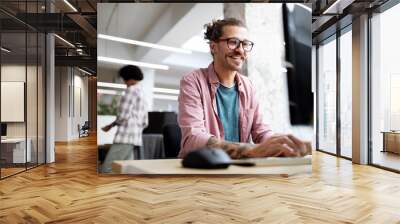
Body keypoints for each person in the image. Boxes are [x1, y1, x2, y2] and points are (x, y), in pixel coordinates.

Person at [178, 18, 308, 159]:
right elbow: (193, 139)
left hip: (240, 169)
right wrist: (251, 151)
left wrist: (280, 144)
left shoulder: (248, 86)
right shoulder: (193, 81)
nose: (240, 50)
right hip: (202, 169)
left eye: (245, 44)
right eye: (233, 42)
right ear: (213, 47)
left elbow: (261, 132)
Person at [101, 65, 148, 173]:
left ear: (128, 78)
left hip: (124, 136)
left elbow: (123, 116)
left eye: (123, 79)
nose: (124, 82)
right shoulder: (142, 93)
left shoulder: (130, 91)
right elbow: (145, 122)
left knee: (107, 169)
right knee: (125, 170)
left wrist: (111, 125)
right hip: (135, 138)